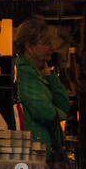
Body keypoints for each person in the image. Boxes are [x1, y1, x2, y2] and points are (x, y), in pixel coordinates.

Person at [13, 19, 72, 161]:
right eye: (46, 43)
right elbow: (45, 111)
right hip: (34, 153)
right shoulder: (24, 72)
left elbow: (64, 104)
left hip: (42, 150)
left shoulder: (39, 73)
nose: (51, 47)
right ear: (29, 46)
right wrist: (59, 114)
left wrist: (50, 76)